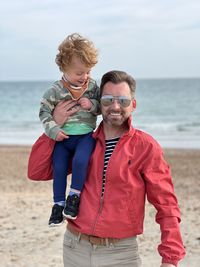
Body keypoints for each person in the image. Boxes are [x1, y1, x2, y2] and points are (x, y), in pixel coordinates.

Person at [52, 70, 185, 266]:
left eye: (123, 100)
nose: (115, 106)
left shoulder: (145, 147)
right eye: (107, 100)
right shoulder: (82, 142)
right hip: (75, 248)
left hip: (121, 254)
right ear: (99, 105)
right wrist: (54, 127)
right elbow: (37, 171)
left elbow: (166, 204)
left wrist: (170, 259)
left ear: (133, 104)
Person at [39, 33, 100, 226]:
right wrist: (54, 131)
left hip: (85, 137)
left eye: (88, 71)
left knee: (81, 161)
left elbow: (101, 106)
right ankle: (58, 204)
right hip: (63, 139)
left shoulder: (92, 86)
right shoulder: (54, 91)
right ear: (64, 68)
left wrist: (91, 104)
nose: (85, 77)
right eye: (79, 73)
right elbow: (44, 113)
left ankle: (74, 197)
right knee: (59, 168)